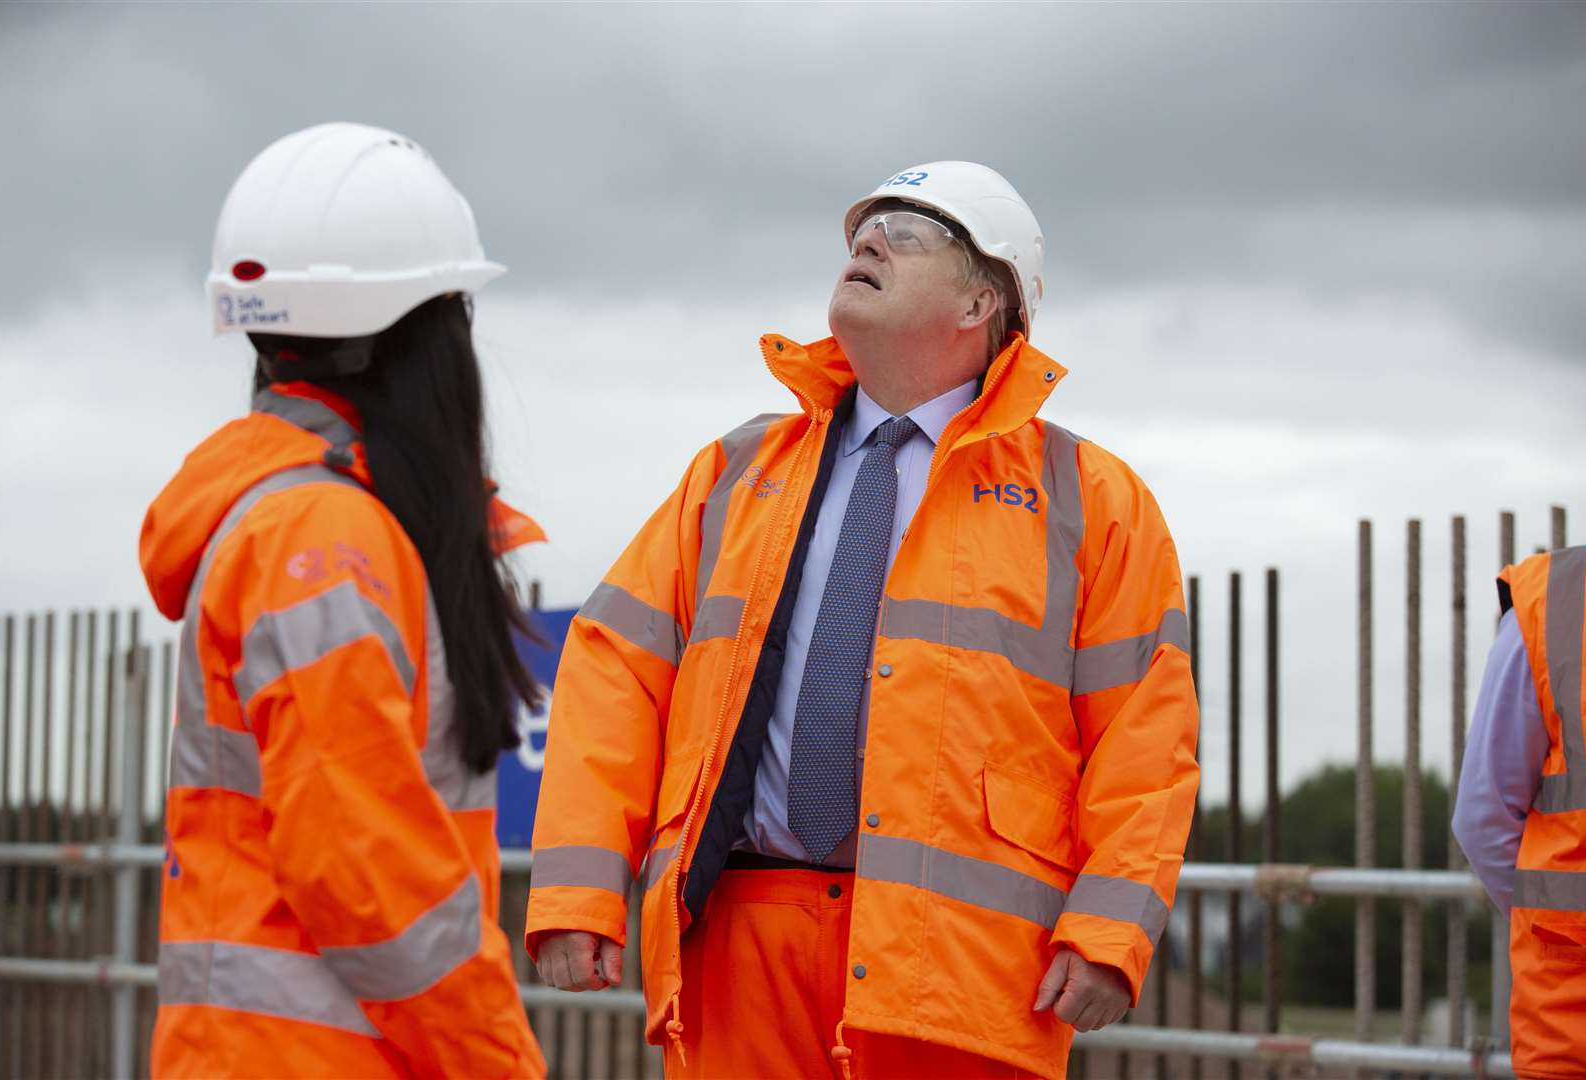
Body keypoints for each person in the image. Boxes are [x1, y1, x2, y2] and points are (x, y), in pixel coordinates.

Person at [526, 162, 1200, 1078]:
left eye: (909, 233)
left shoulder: (1091, 501)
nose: (869, 243)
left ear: (982, 304)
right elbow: (615, 669)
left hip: (965, 977)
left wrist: (1113, 929)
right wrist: (576, 893)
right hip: (741, 948)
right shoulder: (735, 471)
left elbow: (1145, 738)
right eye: (863, 231)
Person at [139, 122, 546, 1078]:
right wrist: (501, 1062)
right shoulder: (321, 538)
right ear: (418, 336)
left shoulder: (307, 519)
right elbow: (364, 864)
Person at [1454, 544, 1586, 1080]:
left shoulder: (1554, 600)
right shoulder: (1552, 603)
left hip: (1572, 1023)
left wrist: (1552, 922)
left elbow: (1483, 817)